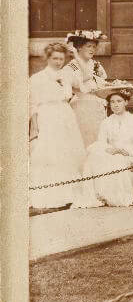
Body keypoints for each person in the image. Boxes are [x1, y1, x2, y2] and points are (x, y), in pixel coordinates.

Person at [29, 42, 88, 210]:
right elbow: (33, 105)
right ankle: (52, 195)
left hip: (65, 115)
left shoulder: (67, 74)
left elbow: (85, 77)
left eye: (61, 58)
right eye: (54, 58)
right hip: (47, 116)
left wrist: (76, 55)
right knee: (51, 154)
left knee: (68, 153)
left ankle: (69, 194)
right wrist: (34, 127)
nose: (58, 62)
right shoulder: (37, 78)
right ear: (47, 58)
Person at [76, 81, 133, 208]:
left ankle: (114, 196)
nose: (116, 105)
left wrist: (124, 151)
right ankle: (98, 195)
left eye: (119, 101)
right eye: (112, 102)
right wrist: (111, 149)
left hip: (127, 154)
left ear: (126, 102)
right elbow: (101, 142)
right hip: (110, 152)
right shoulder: (106, 122)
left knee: (116, 161)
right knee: (94, 157)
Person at [63, 30, 109, 150]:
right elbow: (85, 77)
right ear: (78, 47)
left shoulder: (96, 65)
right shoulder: (71, 67)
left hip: (98, 108)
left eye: (94, 46)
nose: (92, 49)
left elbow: (102, 84)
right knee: (84, 142)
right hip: (81, 108)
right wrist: (76, 57)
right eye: (88, 46)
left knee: (99, 140)